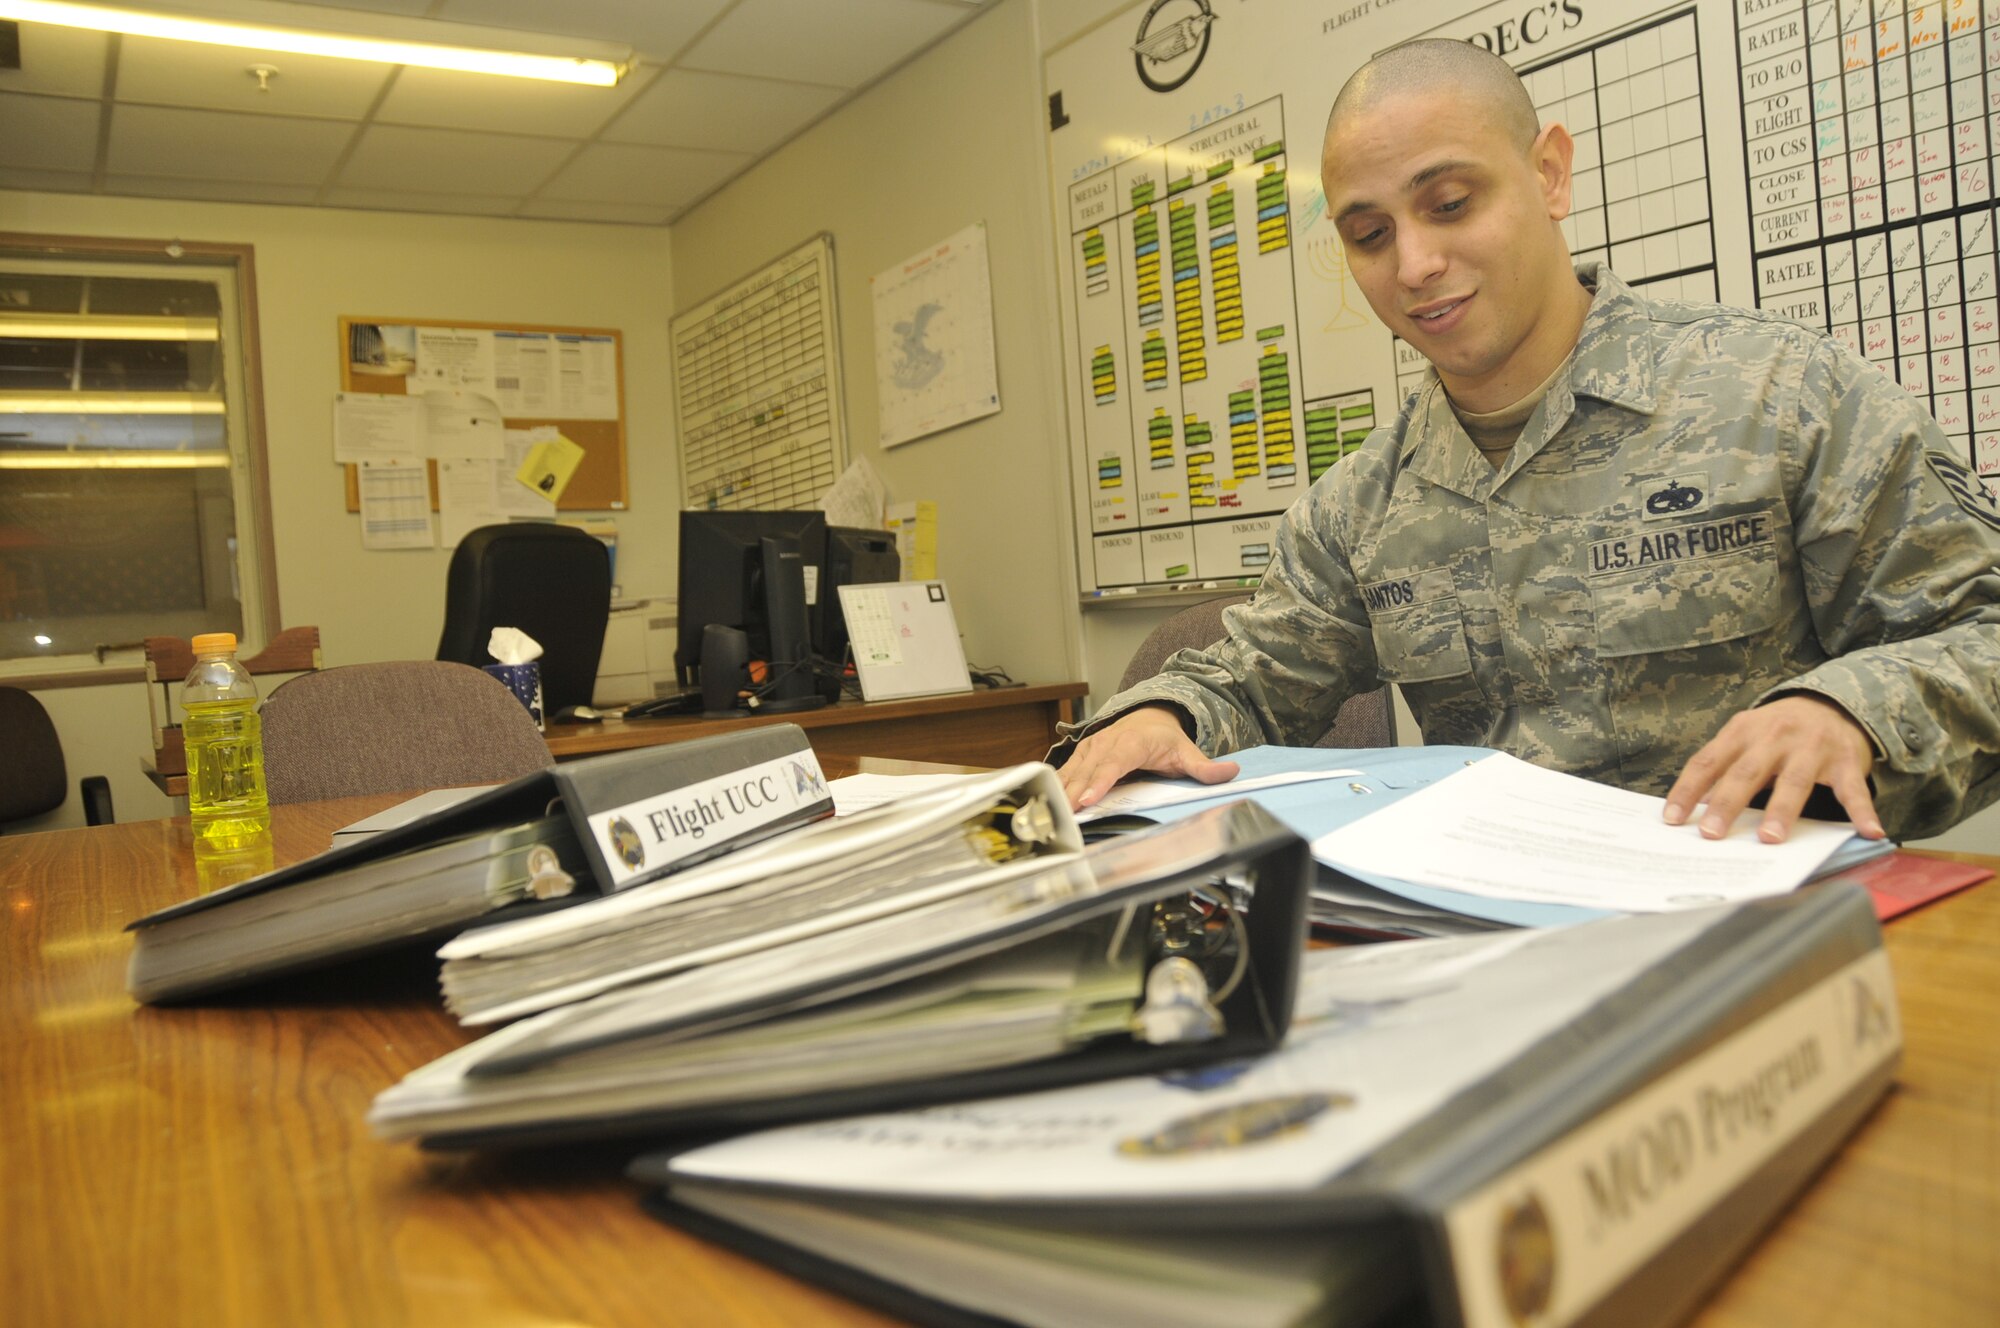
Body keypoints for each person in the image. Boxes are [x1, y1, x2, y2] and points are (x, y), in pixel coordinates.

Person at [1055, 39, 2000, 844]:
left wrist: (1849, 711)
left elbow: (1983, 631)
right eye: (1371, 233)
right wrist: (1158, 715)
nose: (1416, 264)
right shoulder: (1361, 508)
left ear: (1549, 172)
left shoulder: (1781, 396)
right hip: (1501, 934)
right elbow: (1250, 679)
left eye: (1451, 203)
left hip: (1775, 923)